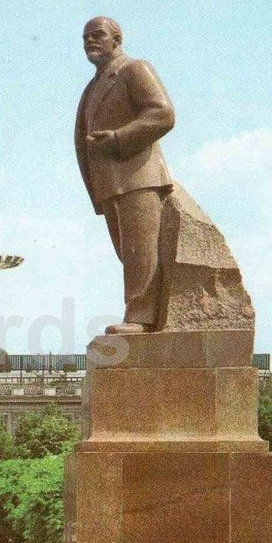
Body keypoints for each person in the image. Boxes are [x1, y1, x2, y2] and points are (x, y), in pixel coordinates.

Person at [74, 16, 175, 334]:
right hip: (110, 183)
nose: (90, 41)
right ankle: (145, 314)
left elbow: (162, 113)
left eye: (98, 35)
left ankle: (141, 318)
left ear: (117, 39)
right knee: (129, 254)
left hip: (138, 177)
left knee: (141, 252)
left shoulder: (134, 69)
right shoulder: (93, 86)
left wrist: (118, 138)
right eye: (85, 37)